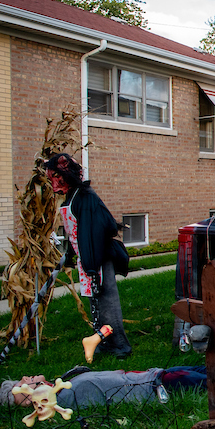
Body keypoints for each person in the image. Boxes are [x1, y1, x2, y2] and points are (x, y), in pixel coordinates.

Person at [43, 153, 132, 359]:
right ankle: (103, 341)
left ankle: (120, 345)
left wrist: (91, 265)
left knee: (107, 303)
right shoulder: (73, 197)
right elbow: (77, 231)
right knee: (97, 304)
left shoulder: (86, 197)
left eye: (58, 178)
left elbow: (98, 229)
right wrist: (73, 252)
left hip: (97, 259)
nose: (54, 184)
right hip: (87, 259)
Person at [0, 354, 215, 411]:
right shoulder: (65, 399)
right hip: (160, 385)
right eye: (25, 383)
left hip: (158, 372)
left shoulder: (63, 387)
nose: (28, 378)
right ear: (28, 398)